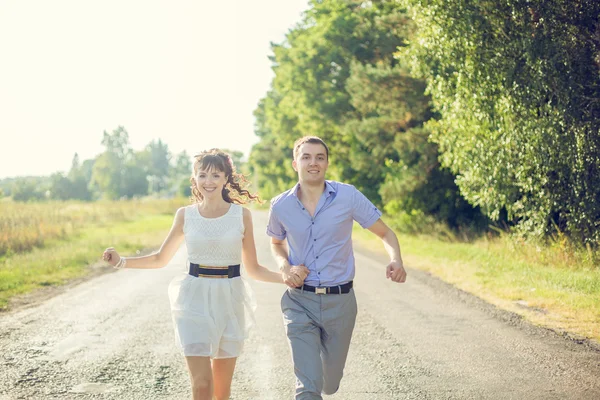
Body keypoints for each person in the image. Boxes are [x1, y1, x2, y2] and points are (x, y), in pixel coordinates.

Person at [102, 148, 308, 400]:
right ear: (195, 179)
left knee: (221, 393)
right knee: (201, 385)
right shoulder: (185, 215)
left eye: (215, 175)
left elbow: (253, 268)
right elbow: (160, 259)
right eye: (202, 175)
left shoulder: (241, 216)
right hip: (193, 299)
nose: (208, 181)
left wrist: (286, 277)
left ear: (225, 179)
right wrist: (121, 262)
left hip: (230, 299)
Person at [267, 136, 407, 399]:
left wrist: (395, 259)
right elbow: (276, 242)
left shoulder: (348, 196)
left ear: (327, 163)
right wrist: (285, 266)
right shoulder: (281, 205)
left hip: (341, 302)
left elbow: (386, 233)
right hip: (299, 301)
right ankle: (310, 378)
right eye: (306, 157)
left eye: (320, 157)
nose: (313, 163)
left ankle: (321, 377)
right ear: (295, 163)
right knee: (307, 388)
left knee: (329, 384)